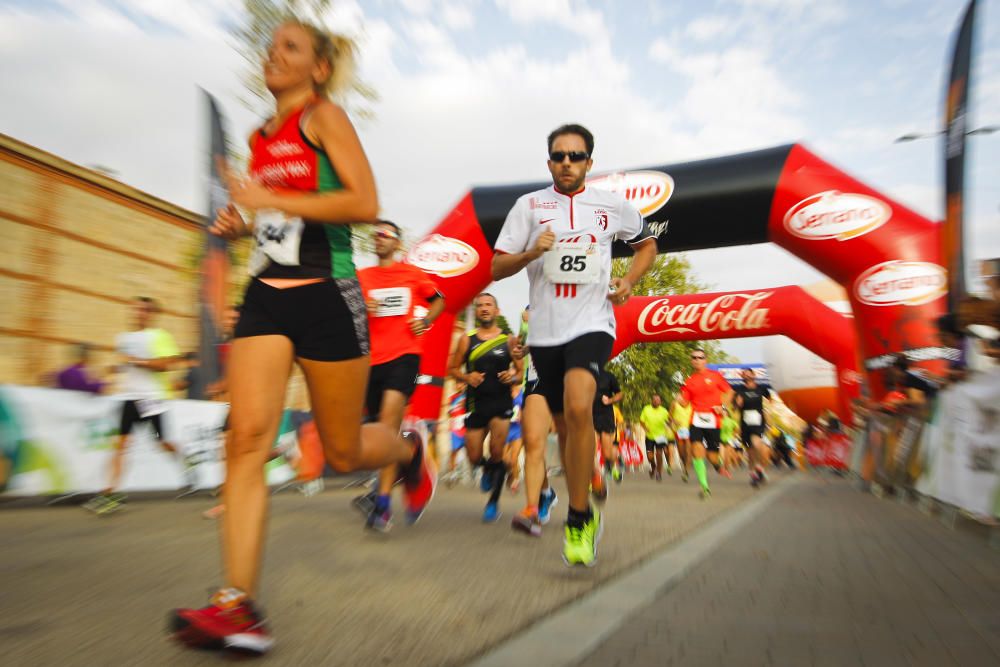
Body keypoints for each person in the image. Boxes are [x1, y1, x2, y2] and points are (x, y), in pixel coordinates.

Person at [170, 21, 434, 657]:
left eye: (290, 47)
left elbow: (363, 200)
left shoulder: (324, 117)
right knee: (245, 439)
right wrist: (244, 221)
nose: (274, 53)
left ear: (317, 69)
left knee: (342, 452)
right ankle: (238, 605)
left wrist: (268, 195)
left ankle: (406, 449)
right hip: (266, 293)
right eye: (272, 44)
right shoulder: (262, 136)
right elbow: (277, 213)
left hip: (326, 291)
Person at [492, 123, 657, 566]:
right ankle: (581, 504)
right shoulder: (528, 206)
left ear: (589, 161)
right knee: (566, 429)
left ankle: (579, 518)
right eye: (559, 156)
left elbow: (647, 245)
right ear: (549, 162)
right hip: (545, 332)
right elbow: (496, 267)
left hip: (592, 324)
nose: (567, 163)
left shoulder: (610, 205)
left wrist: (629, 280)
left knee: (582, 407)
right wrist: (530, 253)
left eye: (576, 155)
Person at [356, 219, 445, 532]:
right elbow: (347, 314)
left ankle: (382, 504)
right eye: (375, 234)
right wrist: (361, 306)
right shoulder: (361, 277)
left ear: (397, 243)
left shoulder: (411, 274)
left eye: (386, 234)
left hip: (404, 356)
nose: (379, 238)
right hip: (370, 362)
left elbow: (439, 300)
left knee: (387, 427)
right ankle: (412, 455)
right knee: (381, 434)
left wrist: (426, 323)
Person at [84, 297, 188, 515]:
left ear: (151, 313)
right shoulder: (123, 338)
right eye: (135, 309)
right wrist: (114, 369)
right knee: (120, 445)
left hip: (152, 399)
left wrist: (136, 361)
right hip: (129, 398)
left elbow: (167, 364)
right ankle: (110, 492)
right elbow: (125, 365)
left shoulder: (160, 336)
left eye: (142, 310)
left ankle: (183, 458)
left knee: (162, 443)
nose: (138, 313)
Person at [447, 293, 522, 522]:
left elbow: (520, 373)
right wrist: (466, 376)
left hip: (501, 404)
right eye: (479, 305)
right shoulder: (466, 340)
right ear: (477, 312)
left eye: (488, 305)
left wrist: (512, 377)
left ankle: (492, 503)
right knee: (473, 455)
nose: (483, 308)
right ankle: (488, 469)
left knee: (498, 453)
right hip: (475, 403)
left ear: (496, 311)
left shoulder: (509, 340)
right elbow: (452, 368)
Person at [510, 307, 559, 537]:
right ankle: (533, 508)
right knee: (533, 442)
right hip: (538, 379)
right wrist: (523, 349)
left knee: (573, 443)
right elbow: (528, 344)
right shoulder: (531, 314)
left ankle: (593, 478)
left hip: (571, 377)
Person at [677, 348, 734, 499]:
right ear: (691, 360)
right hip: (696, 420)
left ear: (705, 360)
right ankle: (704, 486)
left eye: (700, 357)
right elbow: (684, 403)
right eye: (694, 357)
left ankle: (718, 465)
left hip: (714, 420)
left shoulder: (715, 376)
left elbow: (729, 392)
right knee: (696, 449)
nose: (697, 360)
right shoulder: (689, 381)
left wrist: (722, 407)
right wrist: (679, 398)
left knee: (712, 456)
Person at [734, 368, 773, 487]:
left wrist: (767, 412)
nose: (746, 376)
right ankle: (754, 475)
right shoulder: (739, 390)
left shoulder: (761, 388)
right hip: (745, 423)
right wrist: (737, 404)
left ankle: (759, 467)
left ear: (754, 375)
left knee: (757, 444)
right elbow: (735, 407)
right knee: (750, 452)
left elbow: (770, 400)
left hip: (758, 421)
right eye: (744, 375)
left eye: (748, 374)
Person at [592, 368, 623, 497]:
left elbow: (620, 394)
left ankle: (613, 465)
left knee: (607, 453)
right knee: (590, 452)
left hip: (606, 417)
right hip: (590, 417)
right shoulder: (584, 375)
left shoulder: (608, 376)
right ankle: (597, 480)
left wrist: (610, 401)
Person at [639, 394, 671, 481]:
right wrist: (645, 428)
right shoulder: (646, 409)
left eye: (659, 400)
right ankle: (653, 466)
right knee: (650, 457)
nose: (657, 402)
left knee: (659, 454)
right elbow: (641, 421)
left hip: (660, 436)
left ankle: (659, 473)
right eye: (655, 400)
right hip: (650, 436)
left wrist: (670, 424)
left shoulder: (664, 411)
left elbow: (669, 421)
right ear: (652, 401)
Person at [670, 393, 693, 482]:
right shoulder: (674, 403)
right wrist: (674, 421)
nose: (681, 398)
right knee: (681, 453)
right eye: (680, 396)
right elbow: (670, 416)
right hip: (679, 431)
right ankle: (685, 464)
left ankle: (686, 471)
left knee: (688, 451)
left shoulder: (692, 404)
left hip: (689, 430)